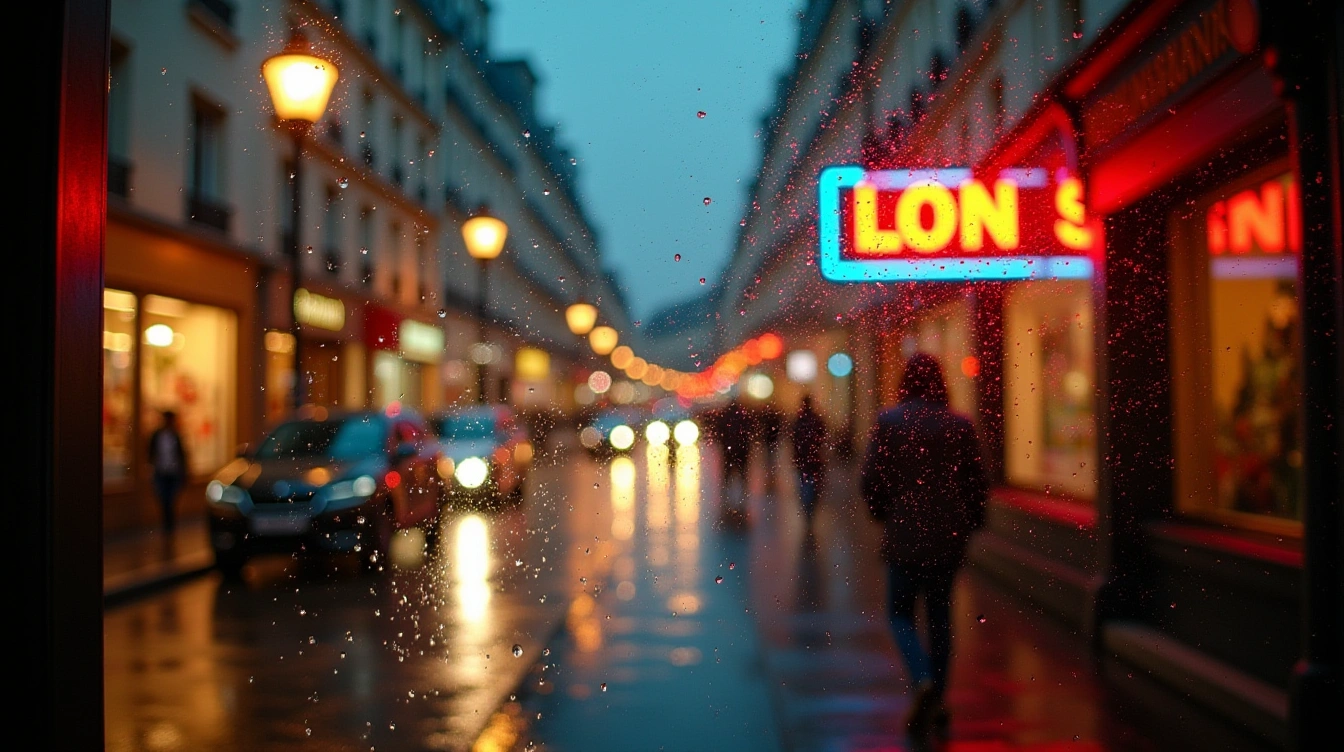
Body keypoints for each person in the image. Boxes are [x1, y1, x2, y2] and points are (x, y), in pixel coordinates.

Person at [860, 354, 987, 740]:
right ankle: (939, 697)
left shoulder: (889, 422)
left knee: (899, 614)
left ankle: (922, 678)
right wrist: (969, 524)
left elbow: (871, 481)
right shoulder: (959, 425)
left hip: (903, 535)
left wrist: (884, 513)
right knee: (940, 618)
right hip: (947, 538)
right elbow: (976, 483)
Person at [148, 410, 188, 533]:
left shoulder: (176, 435)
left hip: (173, 472)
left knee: (170, 499)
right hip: (161, 471)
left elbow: (182, 454)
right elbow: (150, 452)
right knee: (163, 498)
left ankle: (169, 524)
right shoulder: (157, 435)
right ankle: (167, 524)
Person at [790, 396, 828, 526]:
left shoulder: (798, 420)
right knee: (814, 482)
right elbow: (822, 436)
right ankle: (811, 505)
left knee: (803, 481)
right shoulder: (816, 419)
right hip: (815, 456)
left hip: (802, 457)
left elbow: (793, 438)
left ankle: (806, 505)